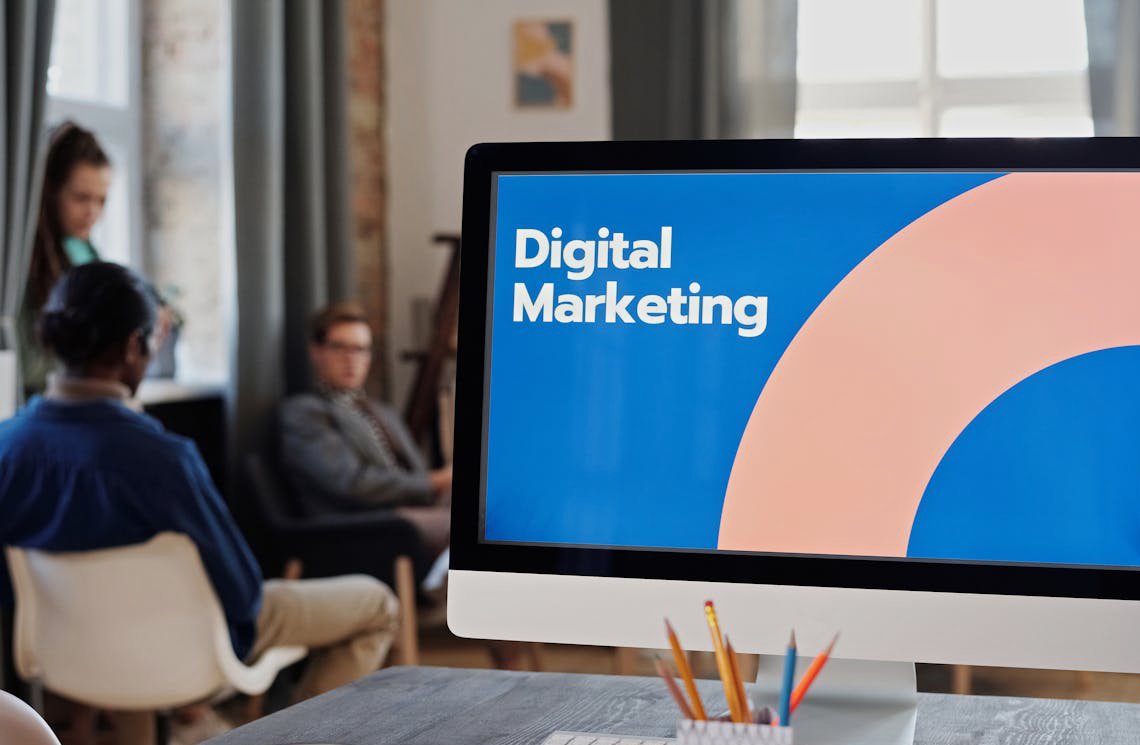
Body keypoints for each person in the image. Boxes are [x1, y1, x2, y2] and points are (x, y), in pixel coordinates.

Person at [0, 263, 399, 744]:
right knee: (377, 605)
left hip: (69, 652)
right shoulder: (161, 458)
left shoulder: (7, 447)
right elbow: (241, 592)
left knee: (131, 634)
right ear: (133, 346)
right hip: (179, 648)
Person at [279, 302, 452, 555]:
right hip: (361, 522)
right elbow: (352, 484)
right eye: (339, 348)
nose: (351, 359)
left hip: (413, 505)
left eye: (360, 349)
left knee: (495, 509)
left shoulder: (382, 412)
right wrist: (434, 481)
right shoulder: (305, 412)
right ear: (316, 351)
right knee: (470, 529)